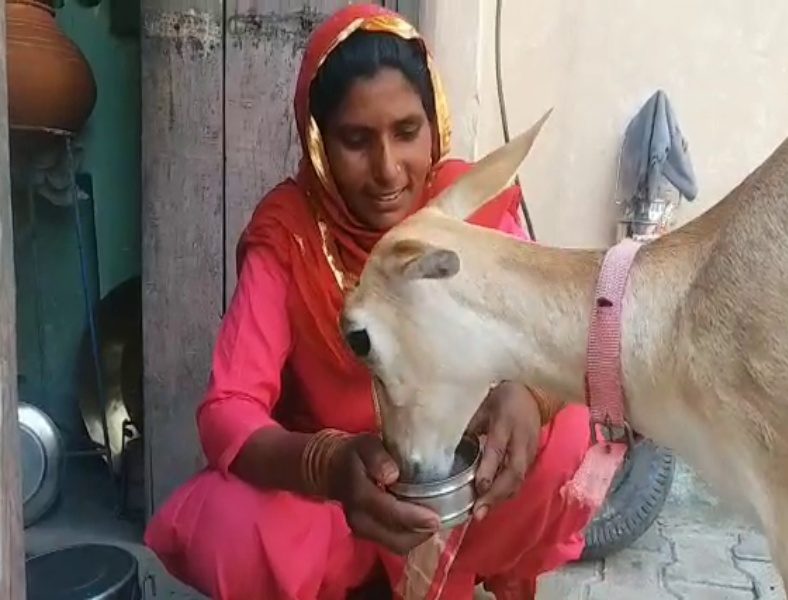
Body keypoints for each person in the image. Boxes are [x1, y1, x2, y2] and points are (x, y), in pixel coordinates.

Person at [144, 5, 593, 599]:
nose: (387, 170)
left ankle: (463, 568)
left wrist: (529, 395)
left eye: (407, 132)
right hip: (342, 500)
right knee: (230, 529)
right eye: (356, 140)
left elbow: (555, 331)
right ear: (319, 143)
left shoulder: (470, 207)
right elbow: (227, 409)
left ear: (435, 127)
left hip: (457, 491)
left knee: (568, 432)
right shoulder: (290, 235)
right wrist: (326, 465)